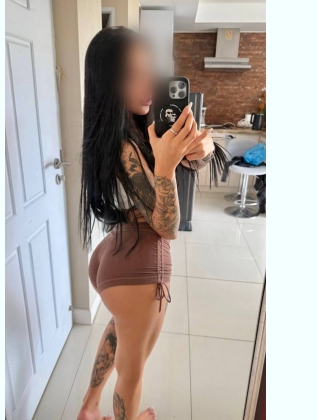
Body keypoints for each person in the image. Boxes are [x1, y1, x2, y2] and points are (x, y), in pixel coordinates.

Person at [79, 27, 214, 420]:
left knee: (119, 332)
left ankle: (88, 407)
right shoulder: (124, 145)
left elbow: (187, 162)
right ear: (107, 83)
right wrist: (167, 165)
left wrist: (202, 149)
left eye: (147, 70)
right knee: (133, 370)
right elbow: (167, 227)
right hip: (138, 266)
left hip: (115, 255)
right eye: (129, 75)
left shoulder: (127, 130)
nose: (145, 84)